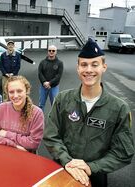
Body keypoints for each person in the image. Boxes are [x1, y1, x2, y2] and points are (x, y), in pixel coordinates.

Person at [43, 38, 134, 187]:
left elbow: (123, 152)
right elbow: (51, 136)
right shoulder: (62, 99)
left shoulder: (119, 108)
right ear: (78, 68)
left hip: (95, 176)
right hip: (63, 170)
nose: (89, 70)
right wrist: (67, 160)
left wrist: (92, 167)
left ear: (104, 67)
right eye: (84, 65)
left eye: (95, 64)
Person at [0, 75, 44, 152]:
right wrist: (14, 146)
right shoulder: (1, 108)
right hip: (3, 154)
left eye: (19, 91)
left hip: (25, 158)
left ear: (26, 91)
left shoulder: (37, 113)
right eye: (11, 92)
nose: (15, 95)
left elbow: (33, 143)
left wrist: (7, 134)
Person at [38, 45, 63, 111]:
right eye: (50, 50)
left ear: (56, 52)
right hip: (43, 87)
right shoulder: (42, 62)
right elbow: (40, 73)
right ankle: (40, 120)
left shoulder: (60, 63)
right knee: (41, 105)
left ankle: (53, 120)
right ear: (47, 52)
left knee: (55, 105)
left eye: (53, 51)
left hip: (54, 87)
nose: (51, 52)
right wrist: (44, 82)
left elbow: (58, 76)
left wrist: (49, 83)